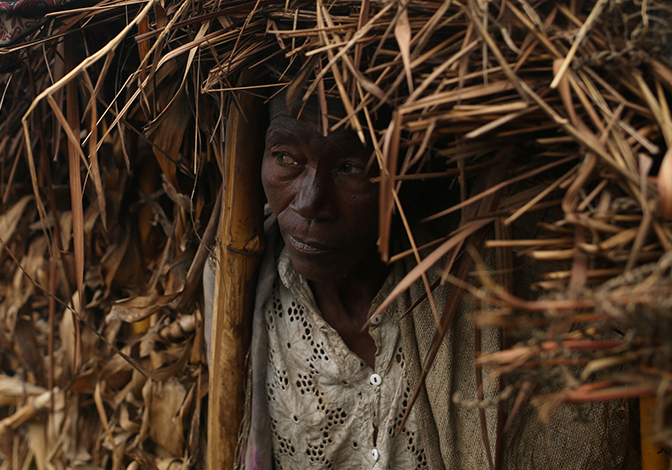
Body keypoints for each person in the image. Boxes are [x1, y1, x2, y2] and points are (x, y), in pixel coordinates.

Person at [207, 86, 639, 470]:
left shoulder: (485, 294)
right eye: (285, 158)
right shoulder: (238, 289)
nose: (309, 202)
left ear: (408, 175)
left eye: (351, 168)